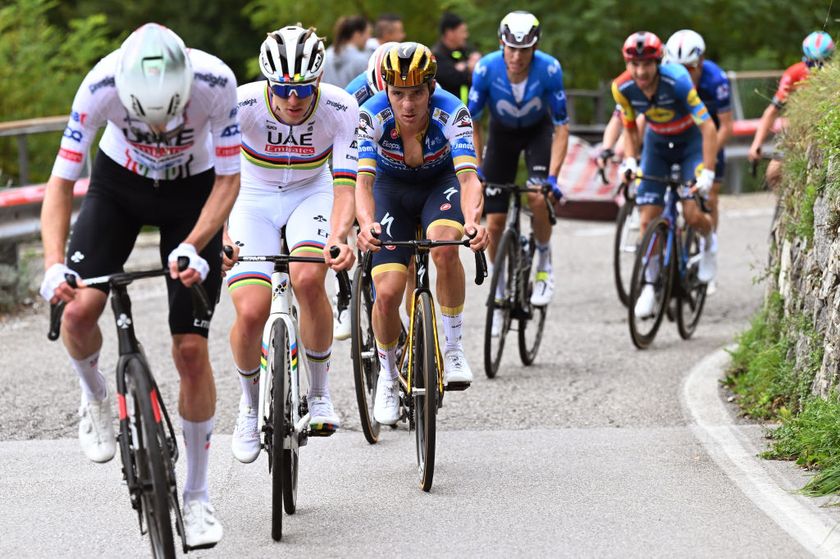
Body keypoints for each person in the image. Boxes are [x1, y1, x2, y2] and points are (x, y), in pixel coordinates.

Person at [39, 23, 240, 548]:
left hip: (192, 194)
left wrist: (196, 243)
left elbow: (229, 179)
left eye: (168, 121)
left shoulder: (215, 83)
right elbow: (60, 185)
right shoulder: (100, 85)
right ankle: (96, 397)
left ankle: (197, 497)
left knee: (191, 349)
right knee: (78, 312)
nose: (157, 133)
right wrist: (53, 265)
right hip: (119, 187)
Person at [224, 26, 357, 463]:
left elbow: (344, 186)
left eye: (303, 89)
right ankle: (248, 404)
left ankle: (319, 395)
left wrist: (339, 236)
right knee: (250, 307)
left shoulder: (340, 107)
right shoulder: (240, 105)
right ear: (268, 82)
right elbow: (214, 179)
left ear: (318, 81)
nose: (293, 99)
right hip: (251, 196)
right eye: (282, 89)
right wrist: (219, 235)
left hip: (311, 193)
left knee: (308, 277)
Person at [354, 42, 488, 424]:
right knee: (389, 291)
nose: (407, 104)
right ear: (386, 91)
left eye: (416, 93)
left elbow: (468, 178)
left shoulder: (452, 112)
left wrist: (474, 219)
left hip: (438, 184)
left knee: (445, 247)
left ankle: (454, 347)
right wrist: (365, 225)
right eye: (398, 94)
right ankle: (387, 375)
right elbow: (362, 184)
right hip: (389, 189)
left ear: (430, 89)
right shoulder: (372, 113)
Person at [468, 10, 568, 335]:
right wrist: (477, 169)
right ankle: (498, 297)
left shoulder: (550, 69)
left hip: (538, 133)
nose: (516, 56)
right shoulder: (485, 68)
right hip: (502, 135)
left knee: (539, 197)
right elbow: (473, 122)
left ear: (535, 48)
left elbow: (562, 126)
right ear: (501, 44)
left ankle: (543, 263)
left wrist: (553, 176)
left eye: (523, 50)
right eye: (510, 48)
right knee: (495, 221)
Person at [611, 31, 717, 318]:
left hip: (689, 145)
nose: (641, 71)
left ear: (658, 62)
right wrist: (630, 161)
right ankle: (649, 285)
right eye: (634, 65)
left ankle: (709, 245)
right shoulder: (622, 88)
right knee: (647, 219)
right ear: (627, 64)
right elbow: (630, 128)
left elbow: (708, 128)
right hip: (657, 146)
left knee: (692, 213)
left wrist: (707, 173)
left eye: (647, 64)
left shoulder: (678, 80)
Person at [665, 29, 733, 292]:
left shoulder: (716, 79)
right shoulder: (664, 74)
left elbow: (726, 126)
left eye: (689, 69)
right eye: (677, 68)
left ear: (700, 63)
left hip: (710, 136)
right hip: (678, 135)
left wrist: (710, 157)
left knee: (709, 196)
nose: (683, 74)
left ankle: (708, 248)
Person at [748, 31, 835, 190]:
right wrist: (756, 143)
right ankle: (785, 205)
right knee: (773, 173)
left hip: (823, 130)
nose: (815, 69)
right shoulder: (794, 74)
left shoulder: (835, 76)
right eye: (811, 63)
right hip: (798, 131)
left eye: (820, 64)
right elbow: (772, 112)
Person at [432, 12, 481, 104]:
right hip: (447, 111)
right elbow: (454, 79)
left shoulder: (465, 50)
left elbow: (479, 63)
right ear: (449, 33)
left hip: (468, 111)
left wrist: (465, 67)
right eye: (462, 32)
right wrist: (469, 67)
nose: (466, 36)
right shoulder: (436, 56)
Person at [323, 15, 371, 88]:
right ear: (357, 34)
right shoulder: (360, 60)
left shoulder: (326, 54)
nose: (369, 37)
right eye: (368, 33)